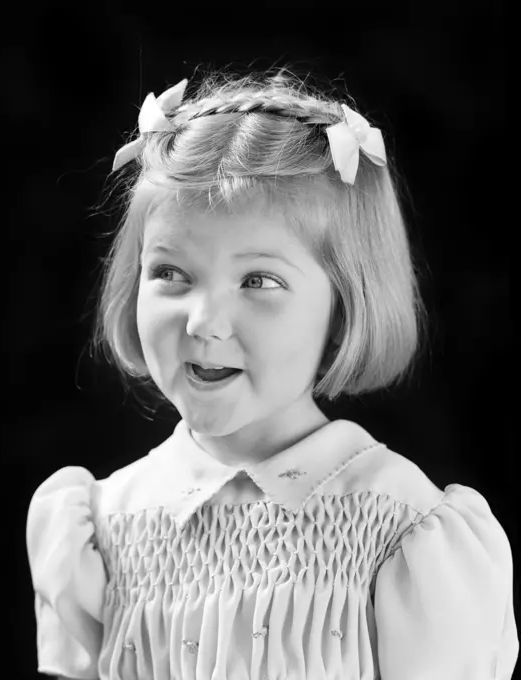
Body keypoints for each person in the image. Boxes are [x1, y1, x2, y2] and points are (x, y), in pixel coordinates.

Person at [26, 67, 518, 679]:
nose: (204, 323)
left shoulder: (405, 532)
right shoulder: (97, 527)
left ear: (344, 306)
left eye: (258, 281)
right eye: (171, 273)